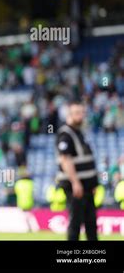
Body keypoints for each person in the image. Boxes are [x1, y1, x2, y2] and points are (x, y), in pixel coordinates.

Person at [56, 101, 99, 241]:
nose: (81, 116)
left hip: (87, 187)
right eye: (77, 113)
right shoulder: (66, 134)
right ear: (69, 115)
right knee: (75, 224)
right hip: (76, 188)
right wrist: (75, 182)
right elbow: (65, 159)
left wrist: (92, 184)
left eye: (82, 113)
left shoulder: (80, 133)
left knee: (91, 224)